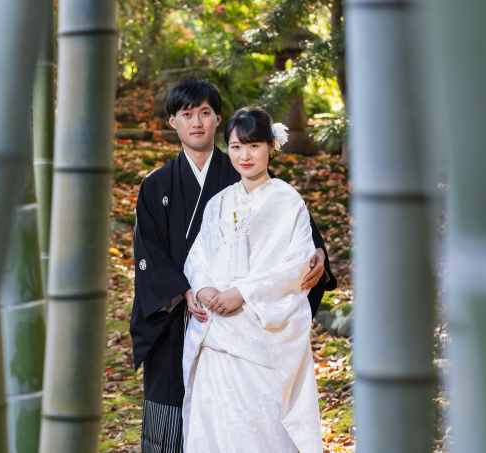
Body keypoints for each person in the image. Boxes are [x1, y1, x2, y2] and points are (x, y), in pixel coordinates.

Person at [129, 76, 336, 453]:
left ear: (217, 120)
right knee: (172, 418)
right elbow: (150, 254)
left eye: (205, 113)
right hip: (179, 314)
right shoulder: (156, 185)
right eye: (186, 113)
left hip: (241, 318)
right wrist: (188, 290)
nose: (196, 122)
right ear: (172, 121)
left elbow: (295, 235)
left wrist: (319, 255)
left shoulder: (244, 169)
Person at [181, 106, 322, 452]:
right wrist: (203, 287)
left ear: (272, 146)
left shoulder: (288, 201)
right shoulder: (218, 202)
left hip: (261, 333)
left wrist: (242, 292)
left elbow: (297, 265)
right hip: (216, 333)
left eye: (254, 145)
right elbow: (199, 254)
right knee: (214, 429)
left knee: (261, 430)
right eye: (235, 147)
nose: (244, 155)